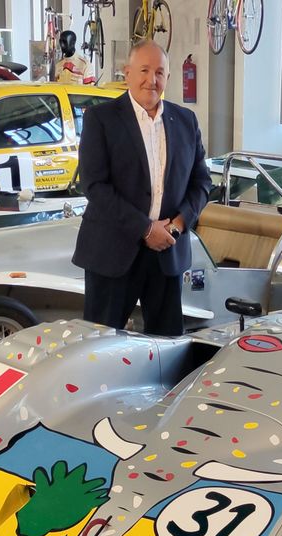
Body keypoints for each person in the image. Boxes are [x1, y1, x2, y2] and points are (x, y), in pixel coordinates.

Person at [72, 40, 211, 337]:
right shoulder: (101, 119)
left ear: (168, 78)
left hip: (167, 254)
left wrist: (176, 225)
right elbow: (95, 186)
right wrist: (146, 229)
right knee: (100, 348)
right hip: (113, 253)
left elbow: (202, 182)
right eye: (144, 70)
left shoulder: (186, 121)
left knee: (168, 348)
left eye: (160, 72)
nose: (152, 80)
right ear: (127, 73)